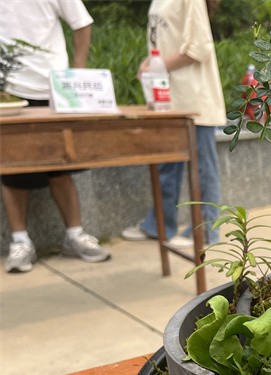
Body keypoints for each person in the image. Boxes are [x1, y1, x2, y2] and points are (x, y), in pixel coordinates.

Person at [1, 0, 111, 274]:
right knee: (12, 172)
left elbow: (82, 23)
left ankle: (75, 235)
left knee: (62, 168)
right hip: (9, 91)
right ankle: (20, 242)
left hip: (55, 88)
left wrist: (77, 73)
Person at [120, 0, 225, 247]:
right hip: (169, 98)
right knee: (168, 165)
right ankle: (159, 225)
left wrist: (157, 66)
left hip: (194, 99)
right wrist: (150, 64)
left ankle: (205, 230)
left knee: (201, 168)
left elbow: (198, 48)